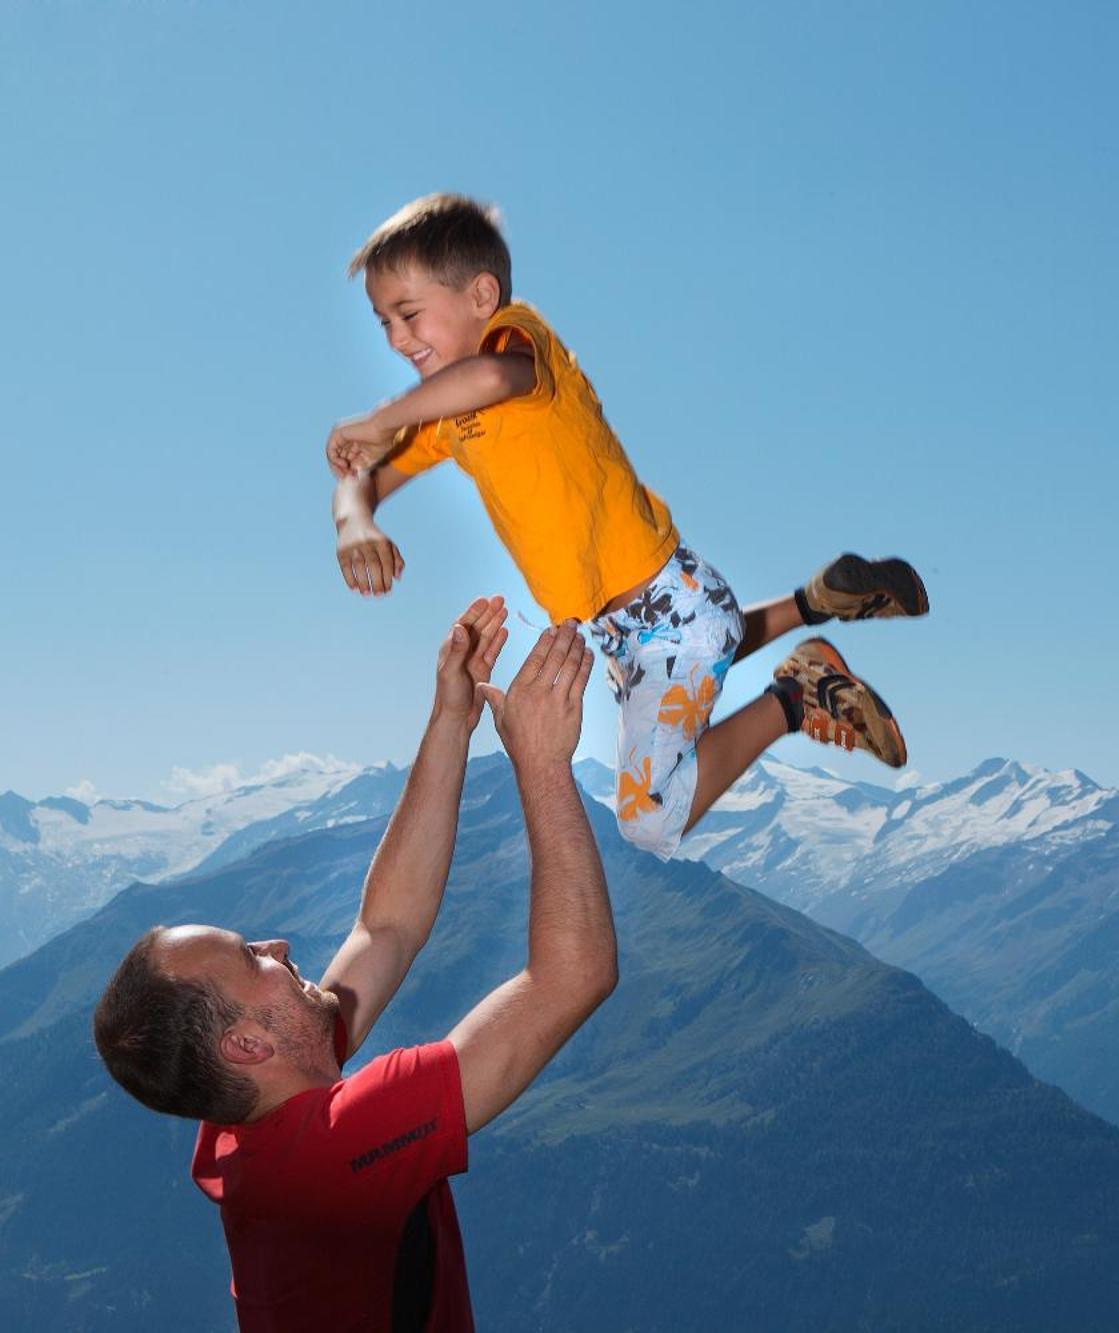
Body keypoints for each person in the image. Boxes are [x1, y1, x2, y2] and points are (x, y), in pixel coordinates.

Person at [325, 192, 929, 861]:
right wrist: (355, 520)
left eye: (408, 315)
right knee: (695, 661)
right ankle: (815, 601)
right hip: (644, 619)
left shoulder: (519, 343)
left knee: (649, 819)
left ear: (481, 294)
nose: (396, 339)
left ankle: (797, 693)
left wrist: (382, 420)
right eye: (382, 322)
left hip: (669, 611)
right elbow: (367, 478)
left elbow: (491, 377)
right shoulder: (443, 418)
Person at [93, 598, 616, 1333]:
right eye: (252, 957)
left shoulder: (244, 1114)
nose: (276, 944)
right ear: (247, 1045)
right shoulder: (336, 1151)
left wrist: (450, 719)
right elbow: (573, 976)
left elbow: (387, 926)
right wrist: (543, 763)